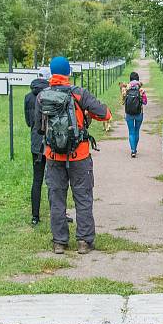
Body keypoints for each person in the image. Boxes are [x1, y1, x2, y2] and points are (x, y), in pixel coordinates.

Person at [34, 56, 112, 255]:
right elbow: (104, 114)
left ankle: (59, 242)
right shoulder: (79, 93)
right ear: (69, 72)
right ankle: (84, 242)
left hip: (52, 156)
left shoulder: (42, 96)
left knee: (56, 199)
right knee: (83, 198)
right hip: (79, 155)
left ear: (52, 73)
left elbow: (38, 127)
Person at [24, 75, 49, 226]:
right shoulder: (51, 94)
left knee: (37, 179)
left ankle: (35, 216)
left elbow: (28, 122)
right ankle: (59, 213)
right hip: (53, 142)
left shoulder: (28, 96)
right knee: (55, 180)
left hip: (36, 141)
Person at [120, 72, 148, 158]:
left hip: (129, 114)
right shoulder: (140, 90)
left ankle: (133, 150)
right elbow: (145, 102)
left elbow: (122, 101)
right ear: (138, 79)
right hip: (139, 113)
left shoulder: (126, 89)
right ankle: (135, 149)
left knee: (131, 132)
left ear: (130, 79)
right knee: (136, 131)